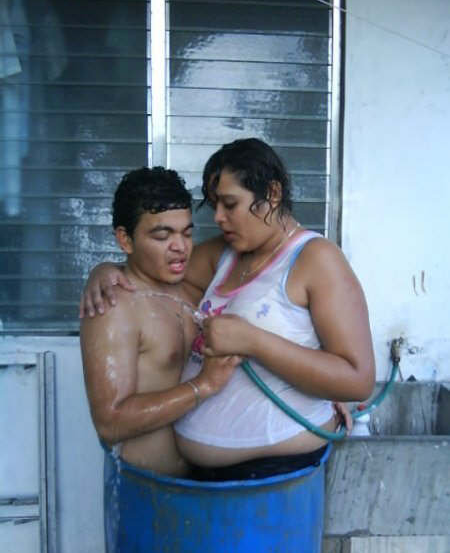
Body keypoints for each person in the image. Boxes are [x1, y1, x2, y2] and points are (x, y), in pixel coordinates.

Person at [80, 138, 375, 481]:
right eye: (215, 205)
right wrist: (102, 271)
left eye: (230, 204)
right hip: (196, 479)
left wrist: (254, 342)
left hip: (273, 478)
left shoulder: (317, 259)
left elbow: (357, 379)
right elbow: (147, 273)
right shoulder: (225, 255)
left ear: (272, 194)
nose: (219, 217)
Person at [80, 166, 240, 478]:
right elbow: (110, 422)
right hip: (146, 491)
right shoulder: (113, 306)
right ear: (125, 240)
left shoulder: (192, 291)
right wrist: (203, 386)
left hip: (204, 487)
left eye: (187, 233)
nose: (180, 247)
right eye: (163, 236)